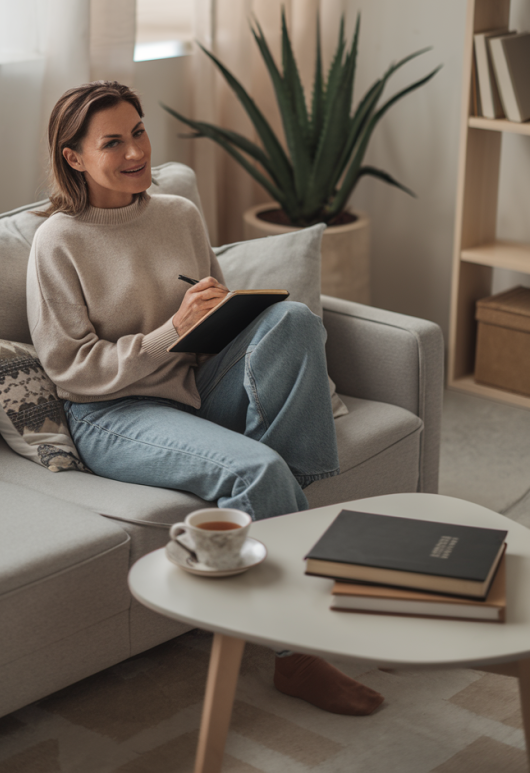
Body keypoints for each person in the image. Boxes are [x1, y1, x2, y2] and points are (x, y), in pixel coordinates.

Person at [27, 80, 384, 716]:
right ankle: (295, 654)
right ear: (74, 157)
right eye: (113, 141)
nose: (136, 150)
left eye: (138, 131)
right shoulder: (59, 240)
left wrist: (224, 316)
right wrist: (172, 329)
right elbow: (70, 370)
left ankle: (276, 523)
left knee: (294, 320)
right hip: (112, 414)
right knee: (259, 469)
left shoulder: (177, 214)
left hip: (189, 387)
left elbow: (207, 329)